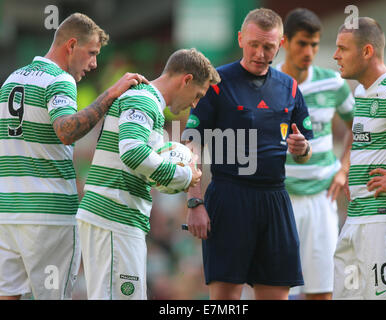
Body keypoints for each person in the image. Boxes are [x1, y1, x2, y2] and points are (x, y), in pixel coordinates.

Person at [0, 13, 147, 300]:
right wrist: (110, 95)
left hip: (7, 212)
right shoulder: (60, 80)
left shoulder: (10, 80)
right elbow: (66, 131)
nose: (93, 64)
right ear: (71, 45)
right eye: (91, 53)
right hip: (48, 217)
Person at [181, 8, 314, 300]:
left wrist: (302, 149)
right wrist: (194, 201)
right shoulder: (216, 83)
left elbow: (305, 151)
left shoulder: (290, 87)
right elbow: (191, 143)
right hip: (230, 196)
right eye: (254, 44)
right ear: (241, 39)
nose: (260, 52)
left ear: (279, 45)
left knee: (277, 292)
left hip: (275, 198)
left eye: (268, 46)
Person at [75, 48, 220, 300]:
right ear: (186, 80)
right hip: (113, 215)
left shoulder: (146, 101)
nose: (195, 104)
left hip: (118, 217)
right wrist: (185, 177)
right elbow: (132, 152)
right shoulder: (144, 100)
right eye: (197, 95)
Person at [276, 8, 354, 300]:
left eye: (314, 44)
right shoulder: (267, 83)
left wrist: (343, 169)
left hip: (323, 196)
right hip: (279, 196)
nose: (309, 51)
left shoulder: (332, 83)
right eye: (302, 43)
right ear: (285, 42)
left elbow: (356, 127)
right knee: (276, 288)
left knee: (322, 289)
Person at [333, 17, 386, 299]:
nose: (335, 55)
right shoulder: (363, 92)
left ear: (367, 52)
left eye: (343, 48)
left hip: (385, 222)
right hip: (356, 222)